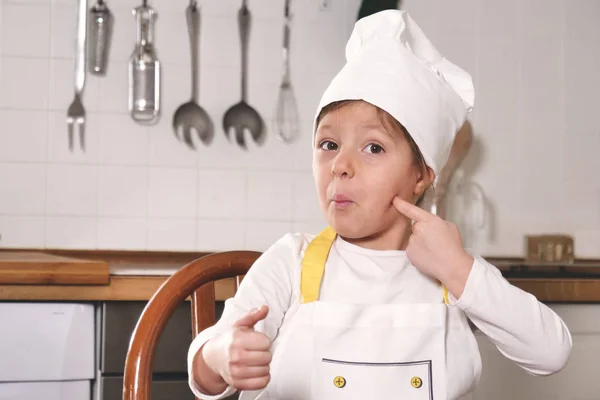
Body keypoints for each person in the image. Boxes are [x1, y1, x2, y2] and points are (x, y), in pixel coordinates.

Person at [187, 10, 572, 400]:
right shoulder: (292, 262)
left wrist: (459, 269)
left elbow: (550, 352)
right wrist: (221, 356)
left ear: (421, 174)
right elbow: (207, 366)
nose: (339, 165)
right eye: (328, 145)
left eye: (373, 147)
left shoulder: (450, 272)